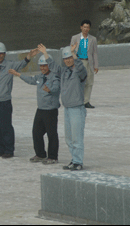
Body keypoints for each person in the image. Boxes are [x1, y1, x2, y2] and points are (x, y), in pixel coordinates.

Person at [38, 43, 87, 171]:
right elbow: (53, 66)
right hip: (67, 109)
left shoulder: (78, 70)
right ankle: (74, 159)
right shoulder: (64, 71)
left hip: (77, 108)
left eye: (69, 58)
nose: (68, 60)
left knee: (77, 138)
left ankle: (78, 161)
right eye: (65, 58)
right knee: (69, 138)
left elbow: (81, 68)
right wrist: (45, 53)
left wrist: (75, 54)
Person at [9, 55, 61, 164]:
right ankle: (40, 154)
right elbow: (31, 80)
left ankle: (53, 156)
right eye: (41, 66)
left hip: (50, 110)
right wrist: (18, 74)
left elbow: (56, 88)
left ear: (49, 66)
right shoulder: (40, 77)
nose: (42, 68)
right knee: (36, 132)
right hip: (41, 110)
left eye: (45, 66)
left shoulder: (55, 76)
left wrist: (50, 90)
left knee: (52, 134)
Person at [71, 19, 98, 109]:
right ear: (81, 27)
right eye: (84, 27)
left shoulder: (93, 39)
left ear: (89, 29)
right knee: (78, 82)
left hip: (88, 62)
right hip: (79, 62)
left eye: (88, 27)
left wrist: (96, 65)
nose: (86, 29)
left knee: (89, 82)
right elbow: (71, 51)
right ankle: (78, 100)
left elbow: (95, 53)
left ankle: (86, 101)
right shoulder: (75, 38)